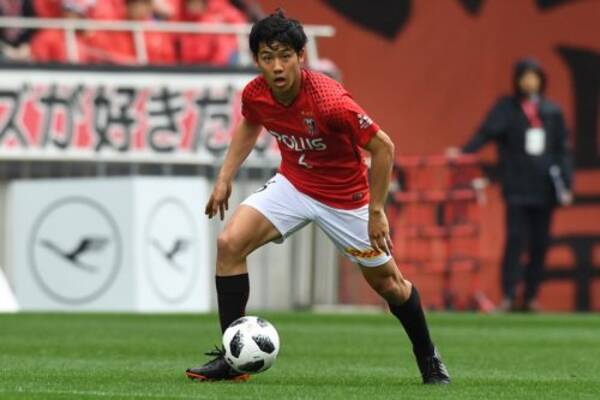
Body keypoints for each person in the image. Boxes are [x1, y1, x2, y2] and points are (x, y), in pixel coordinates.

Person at [185, 10, 450, 384]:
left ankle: (428, 357)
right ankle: (233, 359)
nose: (277, 66)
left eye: (285, 56)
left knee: (390, 285)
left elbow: (383, 147)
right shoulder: (256, 93)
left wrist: (376, 211)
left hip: (346, 198)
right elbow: (251, 121)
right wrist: (225, 177)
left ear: (301, 56)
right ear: (257, 60)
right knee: (229, 244)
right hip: (294, 184)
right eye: (267, 57)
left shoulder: (329, 100)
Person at [453, 58, 573, 312]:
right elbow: (485, 133)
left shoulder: (552, 111)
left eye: (534, 77)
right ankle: (508, 294)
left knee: (540, 243)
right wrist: (463, 153)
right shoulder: (506, 109)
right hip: (517, 185)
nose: (529, 82)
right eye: (525, 77)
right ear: (517, 80)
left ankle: (530, 296)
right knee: (515, 241)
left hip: (545, 187)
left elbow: (563, 150)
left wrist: (566, 182)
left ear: (541, 80)